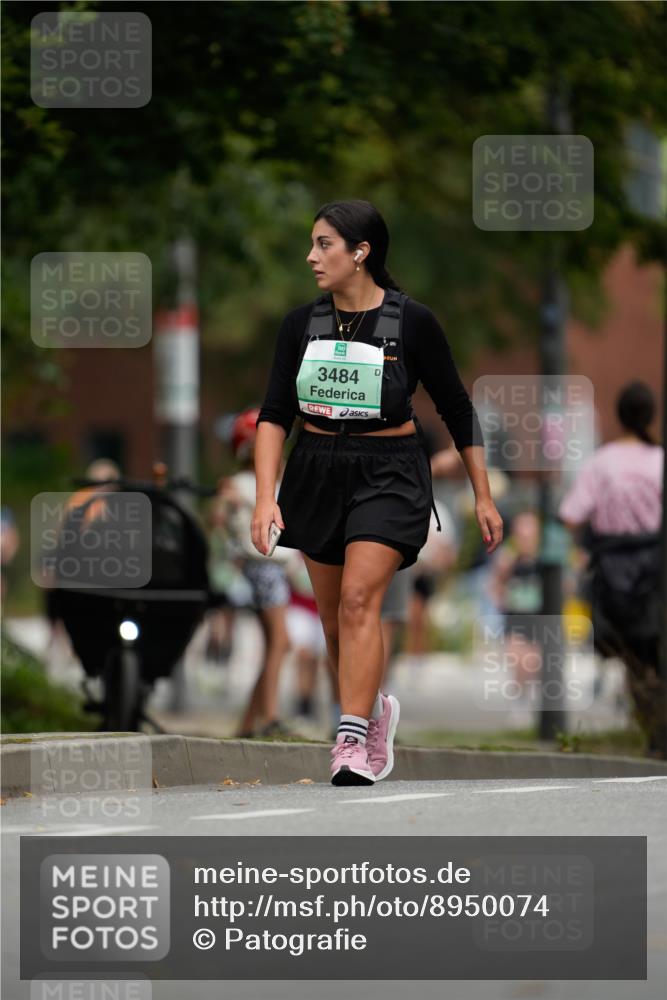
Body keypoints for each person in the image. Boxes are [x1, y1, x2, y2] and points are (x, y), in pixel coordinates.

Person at [252, 199, 503, 785]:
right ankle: (372, 714)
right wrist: (267, 497)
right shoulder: (300, 325)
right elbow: (273, 415)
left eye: (324, 245)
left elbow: (458, 409)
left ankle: (347, 741)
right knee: (338, 620)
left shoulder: (412, 322)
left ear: (360, 253)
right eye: (312, 244)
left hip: (389, 472)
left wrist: (483, 496)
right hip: (315, 471)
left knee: (361, 601)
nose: (311, 257)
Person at [559, 380, 665, 756]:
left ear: (619, 417)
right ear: (651, 416)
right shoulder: (659, 461)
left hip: (614, 569)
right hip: (655, 566)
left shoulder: (601, 462)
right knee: (652, 645)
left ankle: (652, 723)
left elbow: (570, 515)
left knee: (631, 651)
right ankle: (656, 725)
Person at [216, 408, 293, 738]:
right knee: (280, 642)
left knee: (277, 644)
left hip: (272, 569)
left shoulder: (270, 484)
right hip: (262, 566)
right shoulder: (243, 485)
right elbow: (219, 516)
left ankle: (248, 722)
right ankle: (270, 717)